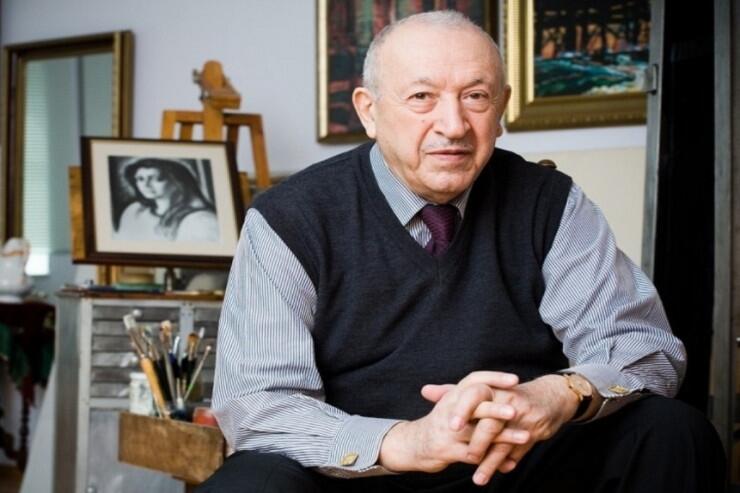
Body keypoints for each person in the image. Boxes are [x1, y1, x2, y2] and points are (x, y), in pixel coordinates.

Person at [201, 10, 725, 493]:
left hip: (515, 462)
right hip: (358, 473)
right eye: (422, 97)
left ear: (501, 109)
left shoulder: (550, 203)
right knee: (250, 482)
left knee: (670, 431)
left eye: (475, 97)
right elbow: (259, 402)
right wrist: (407, 441)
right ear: (369, 111)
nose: (453, 126)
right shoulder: (291, 217)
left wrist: (560, 395)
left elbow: (643, 347)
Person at [115, 158, 219, 242]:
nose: (146, 185)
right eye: (140, 179)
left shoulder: (200, 219)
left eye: (157, 178)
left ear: (178, 182)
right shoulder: (134, 211)